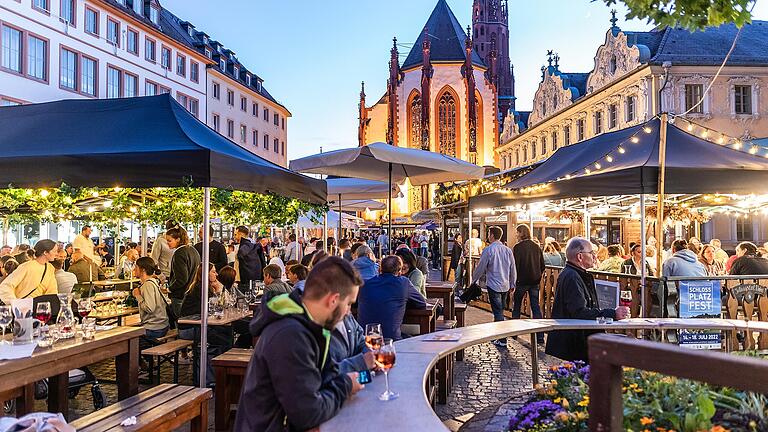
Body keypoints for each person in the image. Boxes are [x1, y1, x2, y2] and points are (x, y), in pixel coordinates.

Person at [234, 257, 364, 431]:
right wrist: (346, 385)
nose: (348, 312)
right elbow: (308, 414)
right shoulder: (291, 335)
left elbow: (326, 377)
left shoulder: (310, 325)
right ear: (333, 300)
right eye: (348, 304)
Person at [545, 237, 629, 362]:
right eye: (591, 253)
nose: (595, 256)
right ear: (580, 257)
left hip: (575, 341)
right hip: (574, 344)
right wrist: (612, 313)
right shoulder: (572, 277)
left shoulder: (575, 274)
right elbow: (579, 311)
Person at [179, 263, 228, 387]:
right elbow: (218, 307)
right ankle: (212, 378)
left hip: (197, 325)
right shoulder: (201, 288)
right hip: (189, 328)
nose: (216, 274)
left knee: (224, 336)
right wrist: (218, 290)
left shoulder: (204, 286)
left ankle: (217, 375)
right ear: (205, 273)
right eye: (213, 272)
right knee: (224, 339)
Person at [357, 255, 426, 340]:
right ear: (399, 271)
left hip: (364, 337)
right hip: (391, 339)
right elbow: (422, 303)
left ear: (379, 269)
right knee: (414, 340)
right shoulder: (403, 283)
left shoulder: (365, 284)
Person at [474, 226, 516, 346]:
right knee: (500, 310)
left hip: (493, 284)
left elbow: (481, 267)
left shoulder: (489, 250)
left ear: (492, 235)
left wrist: (474, 280)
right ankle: (496, 335)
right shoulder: (507, 250)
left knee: (498, 312)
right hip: (505, 285)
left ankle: (502, 339)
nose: (488, 235)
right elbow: (513, 268)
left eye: (488, 233)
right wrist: (513, 283)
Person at [511, 225, 545, 341]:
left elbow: (515, 266)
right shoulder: (536, 246)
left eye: (517, 232)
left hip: (522, 281)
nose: (516, 235)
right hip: (534, 281)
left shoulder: (518, 247)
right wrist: (538, 275)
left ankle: (515, 333)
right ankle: (540, 336)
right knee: (536, 307)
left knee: (516, 306)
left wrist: (514, 280)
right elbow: (542, 265)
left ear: (521, 233)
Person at [0, 239, 58, 304]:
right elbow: (6, 285)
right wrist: (15, 303)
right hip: (23, 308)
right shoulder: (26, 266)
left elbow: (52, 292)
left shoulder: (50, 268)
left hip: (40, 308)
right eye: (54, 251)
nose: (56, 254)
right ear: (45, 252)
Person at [131, 257, 170, 349]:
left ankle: (140, 362)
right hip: (162, 325)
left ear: (143, 269)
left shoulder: (147, 285)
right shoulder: (154, 282)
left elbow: (150, 308)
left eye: (136, 267)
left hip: (155, 328)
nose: (134, 270)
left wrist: (137, 296)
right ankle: (146, 361)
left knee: (127, 340)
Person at [166, 226, 201, 318]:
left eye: (169, 240)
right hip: (191, 293)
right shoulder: (193, 250)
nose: (167, 243)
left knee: (181, 323)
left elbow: (181, 279)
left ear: (178, 239)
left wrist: (170, 288)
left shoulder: (179, 253)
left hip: (181, 295)